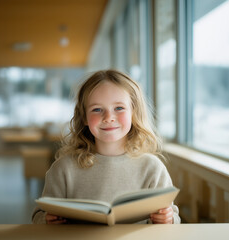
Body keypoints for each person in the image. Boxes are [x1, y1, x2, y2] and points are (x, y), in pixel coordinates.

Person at [32, 69, 180, 224]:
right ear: (84, 118)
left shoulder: (152, 168)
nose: (109, 118)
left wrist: (167, 219)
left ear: (134, 113)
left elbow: (173, 218)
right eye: (97, 109)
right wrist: (47, 220)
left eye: (119, 108)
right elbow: (38, 216)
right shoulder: (63, 169)